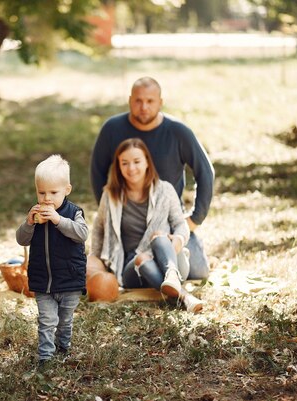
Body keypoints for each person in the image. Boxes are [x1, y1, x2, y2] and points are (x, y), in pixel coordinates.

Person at [90, 77, 214, 280]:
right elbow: (97, 172)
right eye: (138, 101)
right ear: (130, 100)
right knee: (128, 270)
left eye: (150, 101)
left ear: (160, 102)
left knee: (198, 272)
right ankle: (157, 273)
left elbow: (205, 172)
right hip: (128, 223)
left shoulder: (177, 132)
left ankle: (170, 265)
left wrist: (195, 218)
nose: (144, 107)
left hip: (168, 219)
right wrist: (112, 211)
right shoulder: (112, 129)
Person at [88, 138, 203, 313]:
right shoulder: (111, 195)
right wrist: (95, 261)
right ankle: (184, 296)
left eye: (136, 161)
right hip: (133, 268)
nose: (131, 168)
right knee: (142, 258)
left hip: (168, 256)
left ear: (147, 162)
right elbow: (98, 229)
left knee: (158, 236)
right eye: (124, 163)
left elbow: (180, 224)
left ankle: (171, 275)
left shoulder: (165, 190)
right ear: (118, 166)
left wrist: (179, 239)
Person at [16, 155, 88, 366]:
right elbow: (22, 240)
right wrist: (29, 223)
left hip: (69, 279)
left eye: (53, 192)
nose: (47, 199)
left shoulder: (74, 213)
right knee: (46, 321)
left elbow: (82, 234)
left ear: (67, 189)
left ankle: (63, 347)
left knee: (64, 321)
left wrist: (58, 220)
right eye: (41, 192)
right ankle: (46, 357)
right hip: (43, 280)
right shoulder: (35, 214)